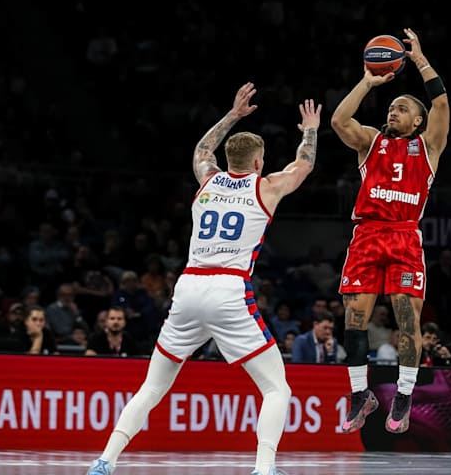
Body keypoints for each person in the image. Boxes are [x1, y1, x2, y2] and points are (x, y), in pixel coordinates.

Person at [86, 84, 320, 475]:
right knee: (276, 387)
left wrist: (232, 115)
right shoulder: (266, 186)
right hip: (228, 288)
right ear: (258, 161)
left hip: (189, 287)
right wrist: (309, 130)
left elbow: (201, 150)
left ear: (229, 159)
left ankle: (104, 460)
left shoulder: (208, 180)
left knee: (152, 386)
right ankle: (264, 468)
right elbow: (304, 164)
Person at [331, 28, 450, 434]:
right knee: (354, 318)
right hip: (367, 234)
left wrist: (419, 60)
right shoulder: (371, 142)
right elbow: (339, 120)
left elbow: (441, 102)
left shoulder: (429, 147)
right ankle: (359, 395)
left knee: (406, 319)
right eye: (391, 107)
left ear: (418, 120)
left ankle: (403, 394)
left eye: (401, 108)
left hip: (403, 236)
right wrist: (368, 81)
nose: (393, 112)